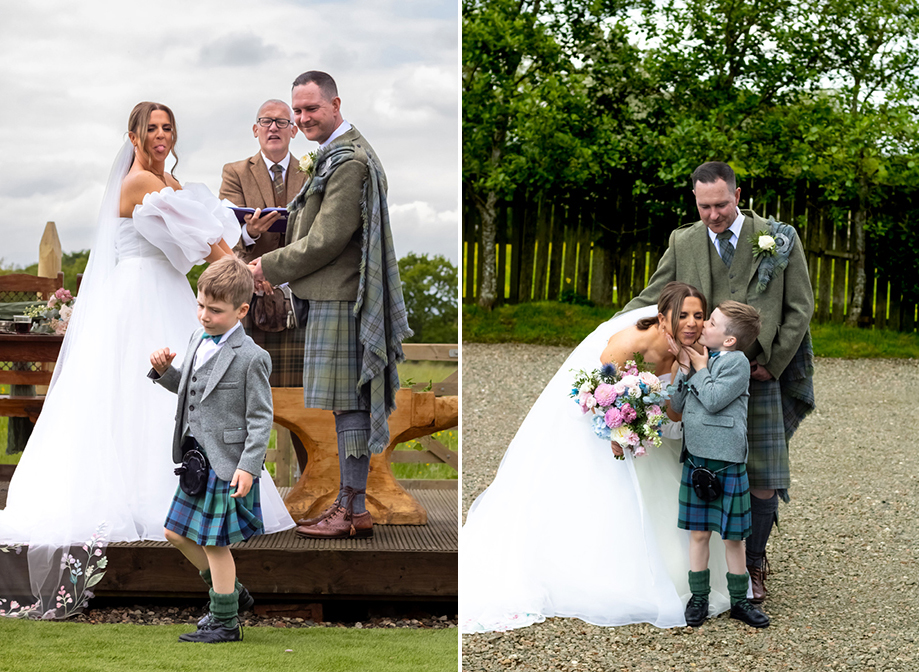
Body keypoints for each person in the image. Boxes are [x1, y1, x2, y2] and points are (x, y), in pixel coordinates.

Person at [0, 102, 293, 620]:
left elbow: (204, 239)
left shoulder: (170, 182)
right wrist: (247, 274)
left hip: (168, 287)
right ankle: (161, 509)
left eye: (167, 127)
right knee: (139, 391)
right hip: (140, 293)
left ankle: (209, 556)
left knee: (187, 387)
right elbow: (205, 243)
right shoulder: (140, 183)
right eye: (151, 128)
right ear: (133, 134)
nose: (161, 135)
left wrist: (239, 259)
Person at [461, 282, 737, 634]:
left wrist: (688, 370)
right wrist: (620, 432)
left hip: (645, 423)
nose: (692, 323)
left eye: (698, 315)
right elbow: (602, 394)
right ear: (662, 317)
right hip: (600, 419)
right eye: (682, 315)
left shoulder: (695, 349)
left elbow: (674, 415)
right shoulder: (630, 343)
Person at [619, 161, 816, 602]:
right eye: (705, 206)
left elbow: (800, 307)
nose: (713, 215)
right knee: (707, 468)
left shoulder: (778, 237)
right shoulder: (683, 240)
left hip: (759, 374)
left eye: (722, 204)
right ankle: (707, 569)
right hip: (700, 377)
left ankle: (755, 564)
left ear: (738, 195)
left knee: (762, 475)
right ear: (695, 200)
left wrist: (773, 360)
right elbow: (655, 295)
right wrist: (612, 329)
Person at [249, 71, 412, 540]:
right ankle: (353, 507)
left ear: (336, 104)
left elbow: (327, 239)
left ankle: (350, 509)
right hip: (327, 295)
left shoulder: (348, 161)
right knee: (346, 407)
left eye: (310, 109)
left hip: (342, 298)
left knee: (350, 407)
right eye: (297, 111)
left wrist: (267, 268)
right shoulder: (335, 154)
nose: (302, 119)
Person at [149, 255, 272, 643]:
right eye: (200, 305)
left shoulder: (252, 357)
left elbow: (260, 419)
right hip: (195, 461)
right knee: (175, 533)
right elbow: (192, 391)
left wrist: (249, 467)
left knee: (215, 545)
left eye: (215, 310)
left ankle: (225, 622)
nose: (204, 315)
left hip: (227, 463)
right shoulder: (197, 339)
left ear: (241, 310)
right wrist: (165, 372)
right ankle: (230, 593)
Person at [219, 99, 309, 470]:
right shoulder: (235, 172)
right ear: (255, 129)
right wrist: (248, 234)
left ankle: (314, 490)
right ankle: (239, 490)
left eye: (282, 122)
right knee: (241, 402)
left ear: (294, 130)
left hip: (299, 299)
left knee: (307, 403)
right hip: (249, 300)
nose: (274, 128)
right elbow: (222, 237)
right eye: (266, 122)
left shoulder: (313, 172)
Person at [669, 300, 769, 628]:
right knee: (698, 534)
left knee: (733, 538)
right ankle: (698, 598)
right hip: (697, 457)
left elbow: (712, 401)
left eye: (710, 323)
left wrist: (697, 368)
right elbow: (680, 404)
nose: (703, 326)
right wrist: (684, 370)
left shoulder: (737, 363)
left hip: (727, 461)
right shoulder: (702, 358)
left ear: (728, 339)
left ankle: (740, 602)